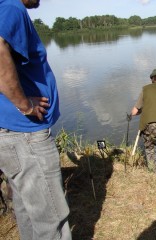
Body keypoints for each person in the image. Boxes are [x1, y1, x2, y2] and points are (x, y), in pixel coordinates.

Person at [0, 0, 72, 239]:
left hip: (11, 134)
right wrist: (25, 104)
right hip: (24, 135)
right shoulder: (11, 6)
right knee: (51, 219)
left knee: (28, 209)